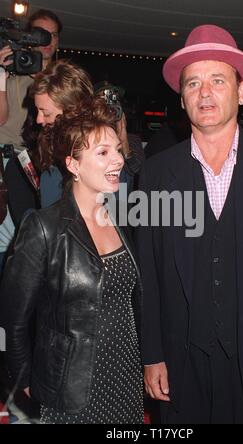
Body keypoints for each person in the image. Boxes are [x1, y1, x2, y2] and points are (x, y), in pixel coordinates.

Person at [136, 24, 243, 424]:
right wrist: (152, 354)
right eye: (193, 83)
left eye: (217, 80)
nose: (204, 92)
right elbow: (149, 275)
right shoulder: (155, 175)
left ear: (242, 92)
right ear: (182, 98)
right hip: (180, 364)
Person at [0, 96, 144, 424]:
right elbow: (12, 319)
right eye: (103, 152)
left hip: (125, 379)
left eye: (117, 150)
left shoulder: (121, 219)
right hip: (70, 388)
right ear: (74, 165)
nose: (118, 160)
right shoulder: (44, 227)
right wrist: (24, 382)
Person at [0, 9, 62, 273]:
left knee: (36, 239)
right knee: (5, 242)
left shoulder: (64, 76)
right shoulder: (12, 67)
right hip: (5, 162)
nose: (45, 39)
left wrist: (44, 78)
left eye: (51, 35)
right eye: (38, 34)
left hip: (43, 164)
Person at [28, 59, 94, 207]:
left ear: (71, 111)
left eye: (45, 113)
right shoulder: (51, 140)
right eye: (37, 110)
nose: (38, 119)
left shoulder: (92, 152)